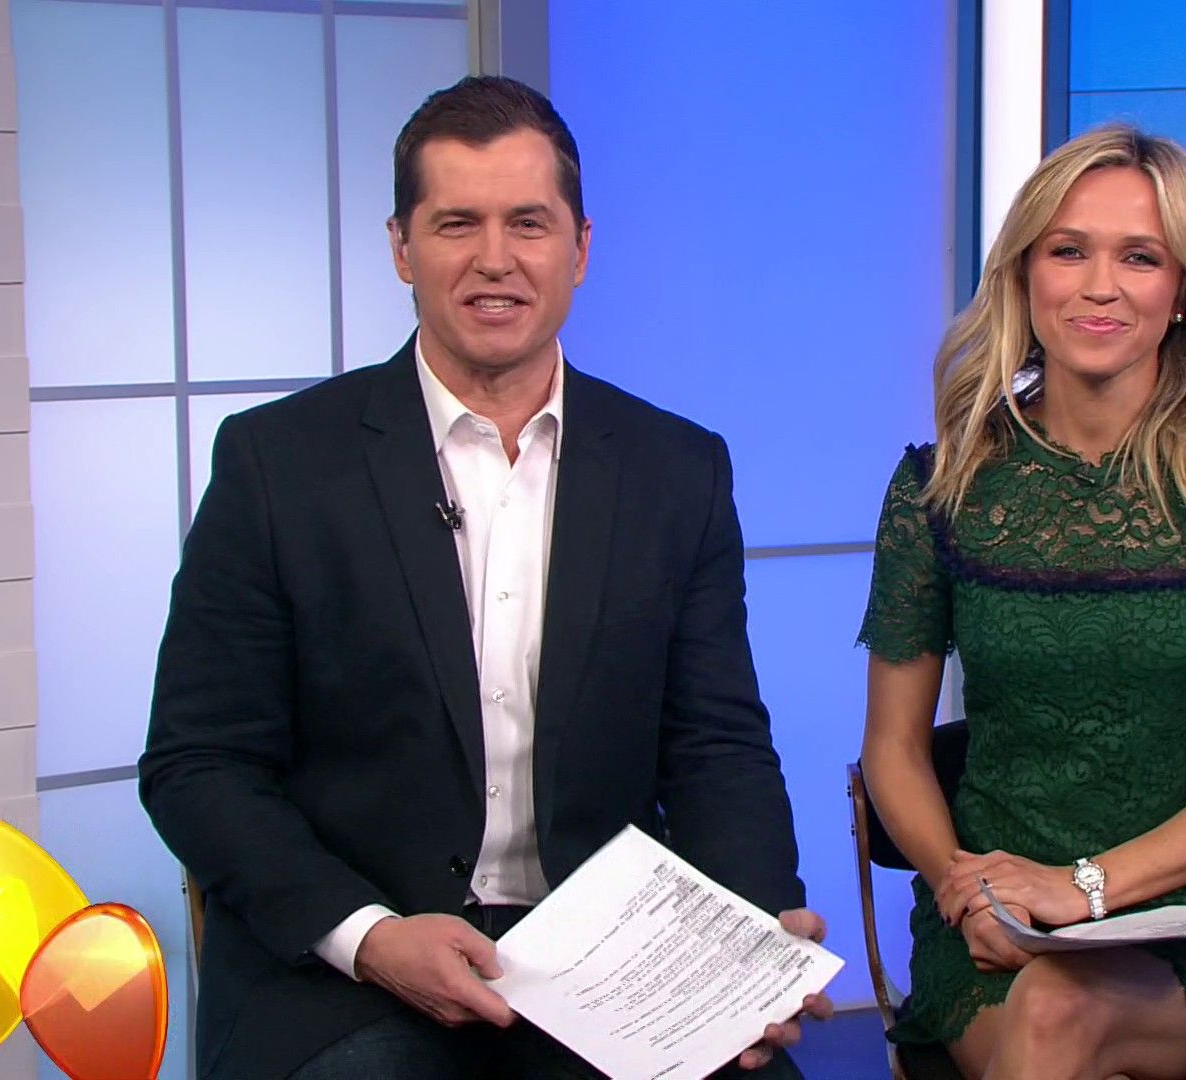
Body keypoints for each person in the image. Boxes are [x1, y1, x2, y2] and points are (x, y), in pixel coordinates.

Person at [140, 75, 828, 1080]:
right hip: (350, 973)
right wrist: (370, 936)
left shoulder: (676, 469)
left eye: (528, 224)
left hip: (606, 963)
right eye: (457, 223)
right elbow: (198, 763)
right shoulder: (278, 464)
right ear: (401, 248)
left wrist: (754, 931)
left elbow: (715, 744)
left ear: (580, 249)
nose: (494, 259)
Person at [856, 124, 1186, 1080]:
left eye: (1140, 257)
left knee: (1058, 1012)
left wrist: (1083, 888)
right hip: (994, 914)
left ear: (1183, 291)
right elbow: (893, 750)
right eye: (1069, 251)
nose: (1100, 286)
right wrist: (962, 887)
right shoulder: (940, 488)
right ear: (1025, 275)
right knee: (1049, 1003)